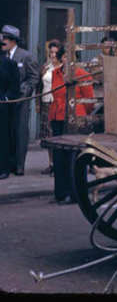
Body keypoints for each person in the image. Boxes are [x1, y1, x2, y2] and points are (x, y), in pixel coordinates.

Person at [48, 45, 94, 204]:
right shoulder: (55, 73)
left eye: (72, 56)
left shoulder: (82, 74)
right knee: (59, 157)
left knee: (73, 158)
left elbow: (89, 101)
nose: (69, 60)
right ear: (61, 58)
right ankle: (60, 192)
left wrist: (82, 116)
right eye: (66, 56)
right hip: (58, 117)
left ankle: (74, 193)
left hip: (76, 119)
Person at [0, 24, 40, 176]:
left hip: (21, 100)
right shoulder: (4, 57)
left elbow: (34, 77)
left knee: (20, 131)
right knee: (7, 132)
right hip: (6, 100)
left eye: (5, 39)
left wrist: (23, 93)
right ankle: (7, 163)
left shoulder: (26, 56)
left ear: (12, 41)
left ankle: (19, 165)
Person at [39, 40, 62, 175]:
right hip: (45, 102)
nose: (53, 55)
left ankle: (58, 164)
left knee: (55, 134)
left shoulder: (62, 67)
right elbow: (39, 85)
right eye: (51, 52)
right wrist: (38, 104)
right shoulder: (46, 67)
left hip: (56, 103)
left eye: (55, 52)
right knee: (47, 135)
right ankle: (51, 163)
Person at [0, 54, 20, 180]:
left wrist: (6, 98)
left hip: (3, 107)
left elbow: (14, 86)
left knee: (3, 137)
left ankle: (3, 168)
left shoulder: (9, 64)